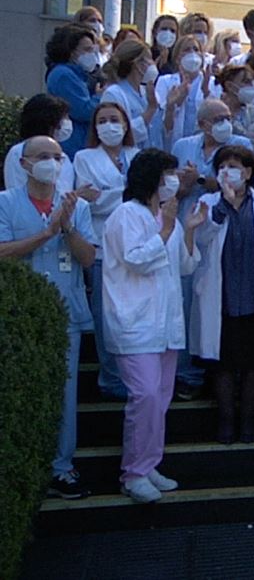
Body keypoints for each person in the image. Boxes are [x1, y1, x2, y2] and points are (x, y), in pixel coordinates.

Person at [102, 148, 204, 502]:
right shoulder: (125, 215)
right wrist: (167, 228)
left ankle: (148, 464)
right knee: (144, 396)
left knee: (159, 399)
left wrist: (187, 231)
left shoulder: (167, 217)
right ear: (151, 178)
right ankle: (132, 474)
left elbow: (186, 266)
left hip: (166, 325)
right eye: (167, 175)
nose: (173, 182)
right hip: (136, 323)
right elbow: (137, 260)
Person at [0, 136, 97, 499]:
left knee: (65, 390)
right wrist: (47, 232)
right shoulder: (6, 204)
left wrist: (67, 227)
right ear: (24, 164)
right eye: (43, 156)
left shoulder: (76, 206)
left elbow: (88, 259)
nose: (52, 163)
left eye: (58, 157)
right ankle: (21, 466)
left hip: (65, 311)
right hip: (18, 312)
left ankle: (61, 467)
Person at [190, 146, 254, 444]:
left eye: (234, 166)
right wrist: (221, 209)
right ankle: (226, 421)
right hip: (221, 297)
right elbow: (201, 238)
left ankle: (248, 420)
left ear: (247, 172)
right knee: (223, 363)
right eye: (222, 167)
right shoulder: (207, 202)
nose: (228, 172)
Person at [74, 103, 140, 401]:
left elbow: (146, 197)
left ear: (126, 125)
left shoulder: (136, 156)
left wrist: (107, 195)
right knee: (105, 315)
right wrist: (127, 193)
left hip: (136, 245)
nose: (109, 125)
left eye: (115, 119)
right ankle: (110, 377)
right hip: (101, 247)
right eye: (102, 121)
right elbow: (88, 202)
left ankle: (133, 375)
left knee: (133, 315)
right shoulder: (84, 158)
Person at [45, 23, 102, 156]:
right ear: (71, 52)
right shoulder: (64, 75)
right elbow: (82, 110)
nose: (92, 55)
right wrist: (100, 95)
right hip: (72, 144)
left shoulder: (78, 74)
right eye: (86, 50)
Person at [4, 94, 79, 195]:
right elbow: (16, 189)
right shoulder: (19, 152)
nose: (68, 122)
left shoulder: (63, 156)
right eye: (64, 117)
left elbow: (64, 190)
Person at [153, 35, 213, 149]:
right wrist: (175, 104)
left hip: (202, 146)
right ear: (177, 57)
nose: (192, 53)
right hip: (171, 145)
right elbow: (160, 124)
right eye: (187, 50)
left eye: (196, 49)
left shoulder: (211, 82)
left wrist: (206, 92)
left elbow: (216, 116)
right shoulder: (165, 81)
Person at [100, 38, 159, 148]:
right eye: (149, 59)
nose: (153, 64)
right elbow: (118, 134)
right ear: (137, 63)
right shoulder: (114, 94)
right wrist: (150, 110)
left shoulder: (147, 92)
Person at [215, 64, 254, 138]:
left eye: (252, 82)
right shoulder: (213, 112)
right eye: (246, 82)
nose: (251, 86)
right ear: (229, 86)